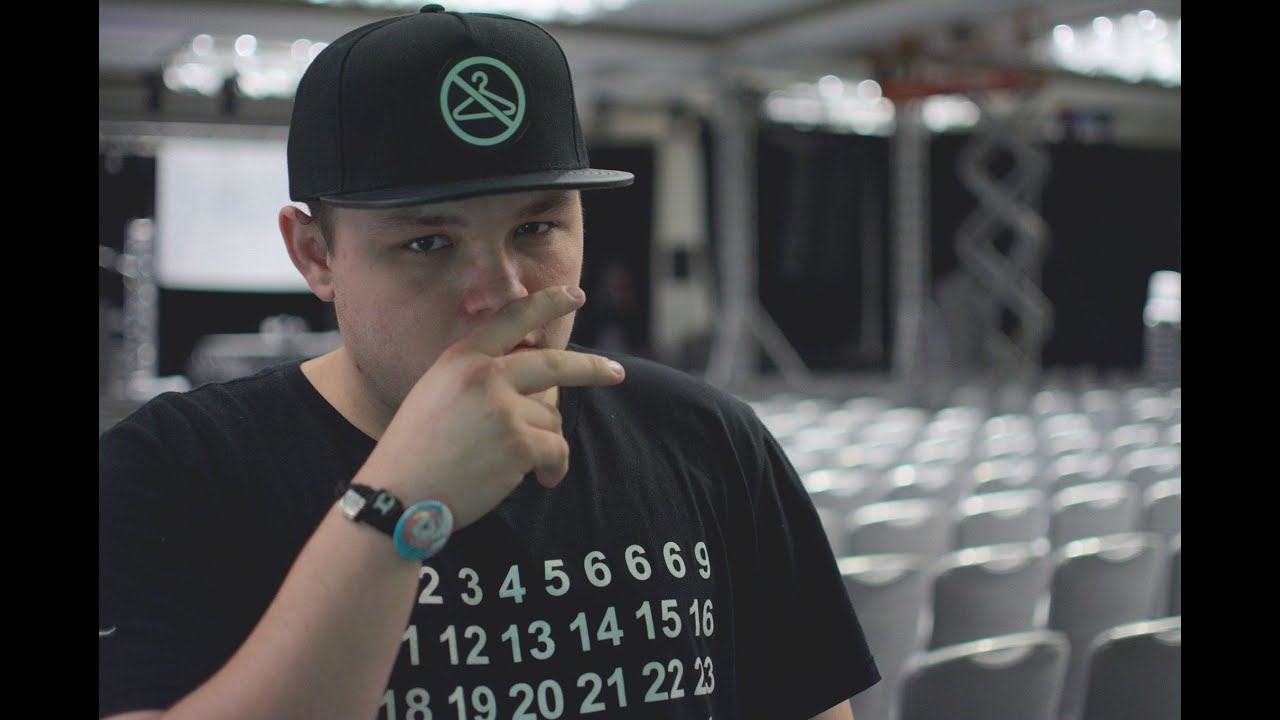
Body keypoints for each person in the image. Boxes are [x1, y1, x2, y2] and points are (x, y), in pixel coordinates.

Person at [98, 5, 880, 719]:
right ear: (315, 255)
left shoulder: (707, 442)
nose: (502, 292)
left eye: (536, 229)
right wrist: (396, 505)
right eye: (428, 243)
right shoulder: (174, 471)